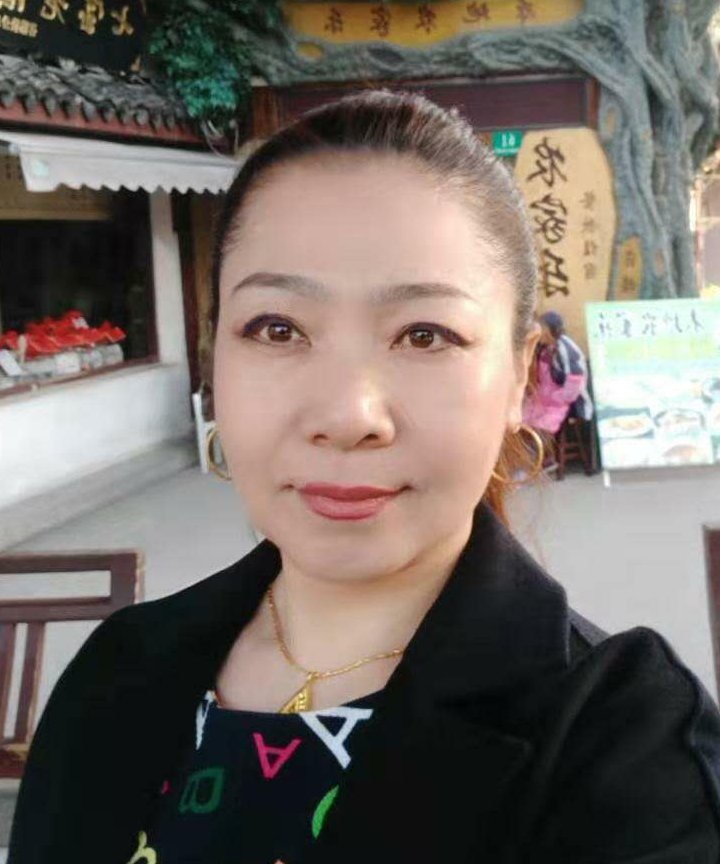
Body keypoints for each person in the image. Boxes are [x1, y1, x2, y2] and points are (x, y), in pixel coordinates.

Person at [9, 91, 720, 864]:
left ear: (519, 377)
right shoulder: (115, 672)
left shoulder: (623, 744)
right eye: (277, 327)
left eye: (425, 334)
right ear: (216, 362)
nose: (348, 416)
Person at [523, 310, 593, 435]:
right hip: (543, 397)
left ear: (551, 331)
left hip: (563, 402)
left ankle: (541, 445)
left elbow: (574, 384)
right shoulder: (544, 347)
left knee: (542, 429)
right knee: (522, 422)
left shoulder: (566, 349)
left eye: (542, 329)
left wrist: (557, 398)